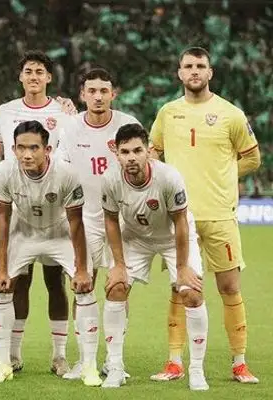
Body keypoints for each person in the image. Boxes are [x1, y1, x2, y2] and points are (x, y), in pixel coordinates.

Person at [150, 47, 260, 384]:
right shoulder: (168, 113)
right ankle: (174, 362)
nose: (194, 71)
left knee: (229, 286)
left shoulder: (231, 114)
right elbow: (153, 152)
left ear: (210, 73)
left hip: (220, 215)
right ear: (179, 73)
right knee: (180, 287)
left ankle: (239, 362)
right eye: (188, 66)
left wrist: (224, 176)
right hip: (180, 216)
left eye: (200, 66)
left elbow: (252, 158)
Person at [0, 120, 99, 386]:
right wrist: (0, 267)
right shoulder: (4, 170)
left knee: (83, 287)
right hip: (23, 231)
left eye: (34, 148)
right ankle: (4, 362)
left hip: (58, 231)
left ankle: (85, 364)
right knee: (3, 286)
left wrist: (82, 268)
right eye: (21, 148)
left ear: (47, 149)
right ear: (12, 149)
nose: (27, 154)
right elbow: (2, 219)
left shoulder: (66, 174)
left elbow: (76, 223)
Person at [100, 123, 209, 391]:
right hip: (136, 238)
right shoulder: (110, 179)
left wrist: (183, 267)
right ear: (117, 153)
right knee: (115, 288)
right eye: (125, 152)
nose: (132, 157)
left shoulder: (169, 177)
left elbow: (181, 223)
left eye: (138, 150)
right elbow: (111, 220)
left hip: (174, 237)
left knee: (191, 292)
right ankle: (114, 367)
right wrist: (119, 265)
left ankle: (196, 370)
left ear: (148, 150)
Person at [0, 50, 75, 375]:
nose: (34, 76)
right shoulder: (5, 111)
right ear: (20, 76)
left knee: (56, 282)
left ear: (49, 78)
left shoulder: (64, 112)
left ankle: (59, 355)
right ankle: (12, 354)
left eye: (40, 71)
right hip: (19, 207)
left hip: (53, 208)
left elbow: (67, 156)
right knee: (17, 283)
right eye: (29, 71)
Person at [58, 68, 140, 380]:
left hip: (124, 219)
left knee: (119, 287)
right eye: (91, 91)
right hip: (87, 217)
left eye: (104, 91)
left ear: (113, 94)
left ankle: (114, 360)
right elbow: (62, 173)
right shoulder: (70, 128)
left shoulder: (127, 124)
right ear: (82, 95)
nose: (98, 96)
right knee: (82, 284)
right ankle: (85, 360)